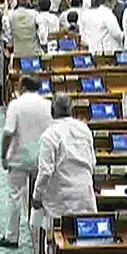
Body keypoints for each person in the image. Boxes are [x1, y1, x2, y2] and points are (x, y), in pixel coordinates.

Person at [0, 75, 53, 249]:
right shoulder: (48, 105)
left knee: (14, 196)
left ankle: (12, 237)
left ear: (23, 87)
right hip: (40, 158)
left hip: (19, 157)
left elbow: (8, 133)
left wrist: (3, 155)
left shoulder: (16, 105)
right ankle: (38, 235)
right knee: (39, 197)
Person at [32, 93, 97, 241]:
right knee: (86, 239)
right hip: (85, 193)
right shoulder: (84, 129)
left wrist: (37, 197)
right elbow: (92, 163)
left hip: (60, 200)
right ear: (71, 109)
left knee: (58, 243)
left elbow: (45, 172)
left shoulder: (49, 136)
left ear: (52, 111)